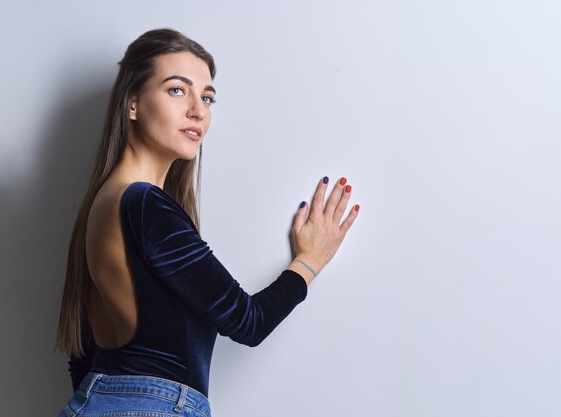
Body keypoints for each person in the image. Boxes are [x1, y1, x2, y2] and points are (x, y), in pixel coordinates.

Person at [54, 27, 359, 417]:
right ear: (132, 104)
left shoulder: (105, 202)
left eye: (208, 97)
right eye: (177, 90)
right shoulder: (144, 204)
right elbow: (248, 322)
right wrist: (309, 260)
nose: (198, 110)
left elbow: (82, 356)